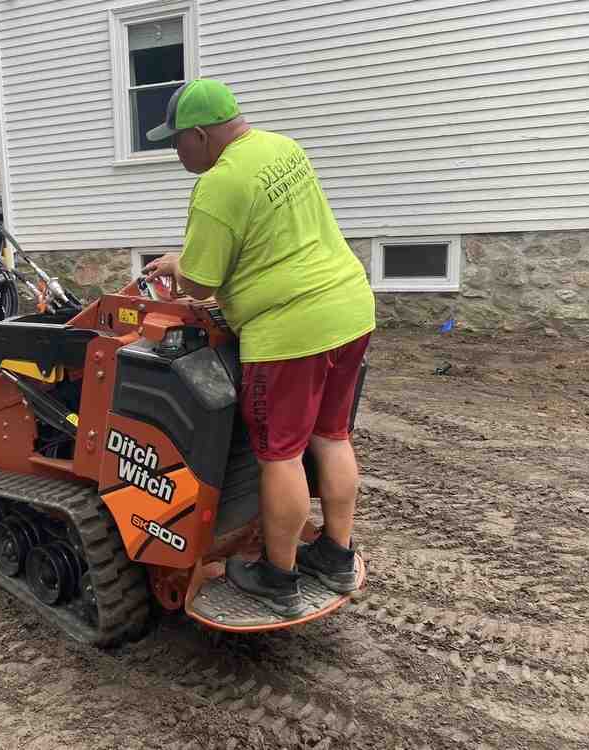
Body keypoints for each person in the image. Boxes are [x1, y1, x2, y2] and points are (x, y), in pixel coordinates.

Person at [142, 79, 376, 618]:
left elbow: (199, 285)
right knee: (331, 435)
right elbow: (268, 237)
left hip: (290, 331)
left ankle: (278, 576)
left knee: (280, 452)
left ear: (201, 135)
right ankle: (337, 556)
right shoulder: (282, 149)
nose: (175, 152)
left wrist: (181, 265)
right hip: (349, 307)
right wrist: (187, 261)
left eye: (176, 141)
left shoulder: (219, 184)